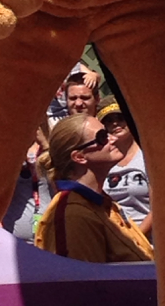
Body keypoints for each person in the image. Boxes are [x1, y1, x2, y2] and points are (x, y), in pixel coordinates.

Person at [35, 114, 153, 262]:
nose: (113, 139)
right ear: (79, 157)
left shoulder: (103, 204)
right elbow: (83, 275)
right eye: (102, 137)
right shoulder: (74, 215)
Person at [97, 98, 152, 236]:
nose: (115, 123)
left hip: (147, 240)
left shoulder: (148, 156)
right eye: (109, 120)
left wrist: (136, 238)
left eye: (120, 118)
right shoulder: (102, 160)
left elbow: (158, 207)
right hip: (113, 237)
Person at [2, 119, 53, 243]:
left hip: (51, 237)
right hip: (14, 239)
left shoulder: (54, 148)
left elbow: (62, 178)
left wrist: (46, 146)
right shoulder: (5, 149)